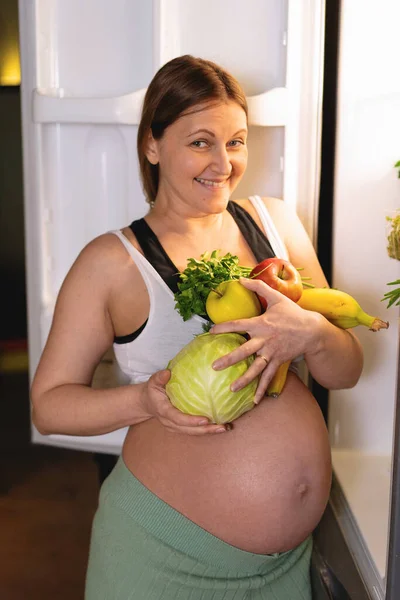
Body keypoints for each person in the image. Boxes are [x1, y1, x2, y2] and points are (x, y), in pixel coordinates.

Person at [31, 55, 363, 599]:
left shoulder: (275, 225)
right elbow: (49, 405)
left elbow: (345, 372)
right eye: (201, 141)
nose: (224, 162)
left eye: (236, 141)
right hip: (162, 561)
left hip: (284, 569)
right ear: (152, 145)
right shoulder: (112, 262)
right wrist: (147, 402)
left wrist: (315, 334)